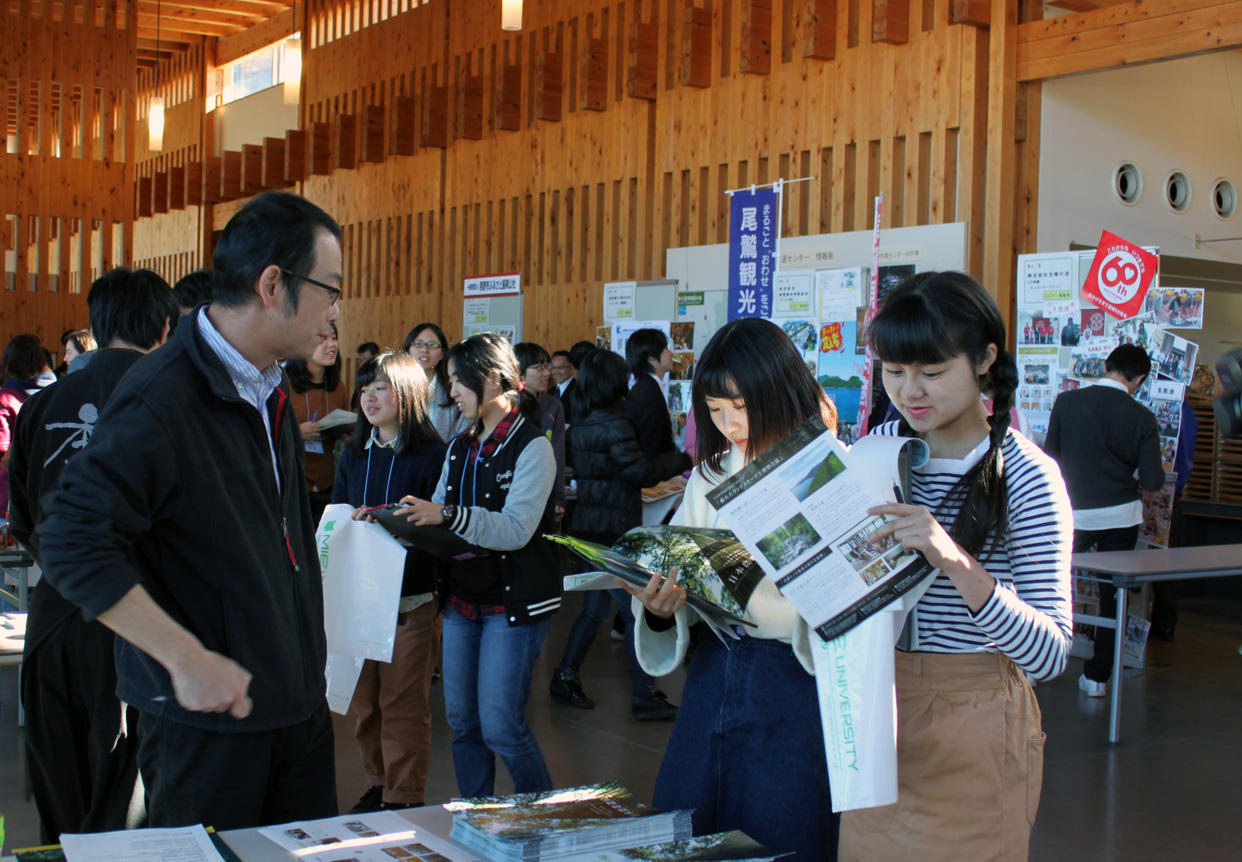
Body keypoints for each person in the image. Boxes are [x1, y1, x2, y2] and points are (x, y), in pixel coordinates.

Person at [36, 190, 343, 830]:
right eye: (329, 289)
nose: (334, 312)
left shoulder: (269, 385)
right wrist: (182, 656)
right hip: (208, 727)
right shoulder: (161, 395)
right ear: (272, 284)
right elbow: (70, 537)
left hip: (295, 709)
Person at [839, 271, 1073, 861]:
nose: (910, 391)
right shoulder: (872, 454)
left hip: (976, 720)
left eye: (933, 372)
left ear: (985, 359)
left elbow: (1049, 653)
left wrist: (951, 559)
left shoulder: (1027, 474)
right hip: (874, 716)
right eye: (894, 371)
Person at [625, 317, 840, 861]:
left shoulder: (828, 467)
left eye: (739, 407)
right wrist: (657, 607)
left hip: (797, 683)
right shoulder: (711, 474)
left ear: (778, 387)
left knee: (783, 832)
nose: (728, 423)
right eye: (715, 410)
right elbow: (681, 577)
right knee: (689, 829)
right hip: (715, 673)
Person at [7, 267, 177, 842]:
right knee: (128, 785)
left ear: (97, 324)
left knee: (58, 765)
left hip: (55, 611)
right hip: (137, 615)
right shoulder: (174, 402)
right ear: (164, 325)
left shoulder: (42, 405)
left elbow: (25, 518)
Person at [394, 332, 559, 798]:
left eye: (458, 383)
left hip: (514, 604)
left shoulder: (532, 447)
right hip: (462, 600)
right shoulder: (459, 446)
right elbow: (440, 512)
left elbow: (515, 530)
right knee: (463, 723)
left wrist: (444, 515)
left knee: (502, 726)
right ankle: (475, 816)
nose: (451, 394)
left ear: (491, 379)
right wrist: (395, 518)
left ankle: (544, 815)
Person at [332, 352, 446, 813]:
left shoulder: (433, 456)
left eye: (381, 387)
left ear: (409, 393)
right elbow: (336, 517)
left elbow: (439, 534)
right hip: (359, 599)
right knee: (365, 707)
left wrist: (390, 527)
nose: (369, 397)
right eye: (364, 389)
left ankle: (402, 800)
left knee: (402, 706)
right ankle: (378, 785)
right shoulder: (355, 455)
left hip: (410, 601)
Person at [551, 348, 690, 719]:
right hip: (615, 528)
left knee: (596, 609)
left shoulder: (582, 420)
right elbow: (638, 472)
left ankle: (565, 676)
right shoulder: (616, 423)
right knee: (630, 611)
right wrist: (681, 460)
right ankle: (643, 695)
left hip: (589, 525)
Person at [1045, 343, 1163, 696]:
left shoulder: (1068, 402)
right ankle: (1097, 678)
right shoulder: (1142, 417)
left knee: (1049, 583)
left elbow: (1050, 458)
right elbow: (1154, 481)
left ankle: (1036, 664)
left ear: (1107, 366)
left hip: (1072, 513)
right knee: (1114, 597)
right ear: (1139, 378)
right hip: (1120, 516)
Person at [287, 320, 351, 516]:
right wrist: (296, 432)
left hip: (328, 482)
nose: (331, 345)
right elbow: (266, 430)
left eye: (334, 338)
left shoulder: (338, 387)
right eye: (323, 339)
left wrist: (348, 435)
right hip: (293, 480)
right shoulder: (283, 384)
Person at [1, 333, 57, 515]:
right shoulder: (57, 391)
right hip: (52, 485)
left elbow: (3, 450)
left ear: (9, 363)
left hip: (11, 492)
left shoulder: (5, 398)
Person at [514, 342, 567, 520]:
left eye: (546, 366)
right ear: (520, 372)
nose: (546, 373)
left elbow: (558, 451)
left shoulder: (553, 405)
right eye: (538, 368)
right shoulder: (506, 404)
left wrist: (559, 496)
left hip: (545, 489)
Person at [404, 322, 470, 443]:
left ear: (442, 354)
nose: (424, 350)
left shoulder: (454, 391)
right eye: (418, 344)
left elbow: (462, 433)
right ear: (408, 349)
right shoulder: (394, 388)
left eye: (432, 345)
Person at [623, 328, 679, 462]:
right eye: (665, 348)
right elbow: (651, 446)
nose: (671, 353)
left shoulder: (648, 387)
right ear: (651, 357)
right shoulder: (648, 393)